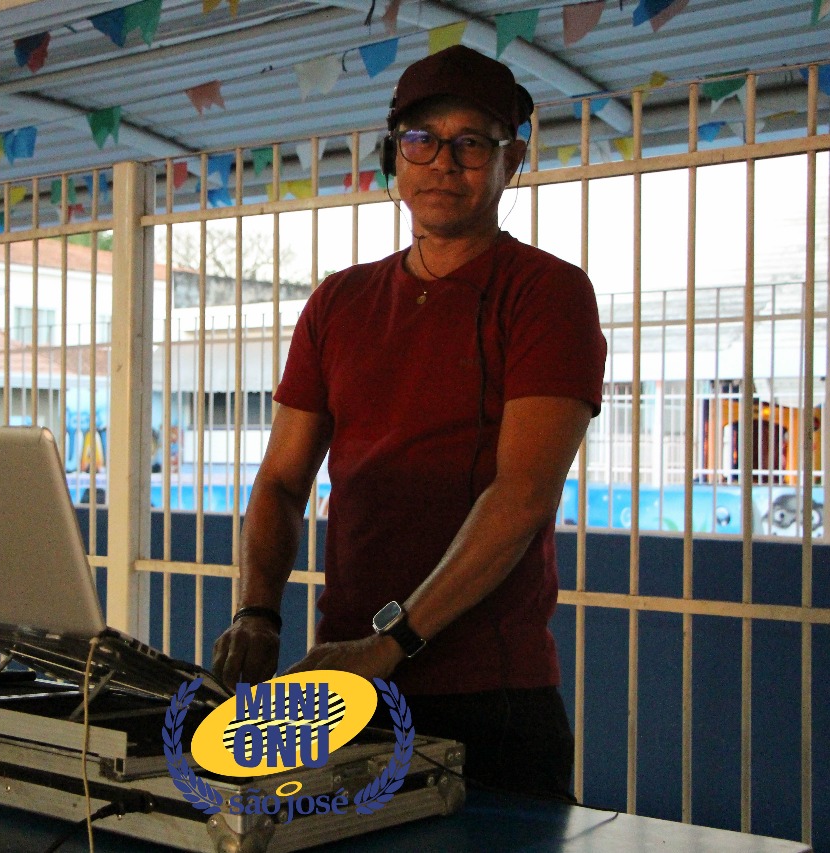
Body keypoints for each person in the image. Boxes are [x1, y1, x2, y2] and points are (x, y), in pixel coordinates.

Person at [211, 44, 607, 801]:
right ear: (395, 155)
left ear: (512, 159)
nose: (443, 163)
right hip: (341, 683)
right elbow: (282, 481)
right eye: (422, 139)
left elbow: (521, 495)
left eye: (471, 142)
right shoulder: (338, 302)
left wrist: (388, 644)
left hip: (488, 695)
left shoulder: (547, 294)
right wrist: (257, 611)